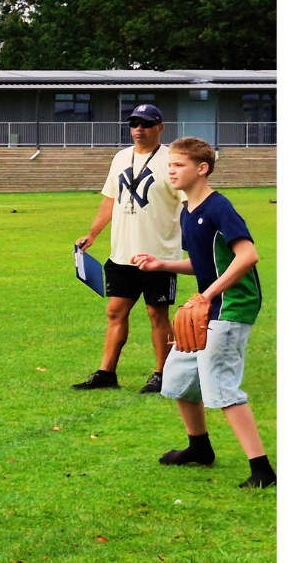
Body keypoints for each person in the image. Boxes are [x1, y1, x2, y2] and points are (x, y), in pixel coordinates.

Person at [131, 137, 275, 488]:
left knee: (222, 387)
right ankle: (199, 448)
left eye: (178, 165)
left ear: (202, 168)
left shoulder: (218, 207)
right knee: (179, 377)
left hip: (232, 306)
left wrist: (208, 295)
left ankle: (262, 471)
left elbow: (247, 256)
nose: (171, 171)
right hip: (208, 306)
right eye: (170, 165)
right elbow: (203, 263)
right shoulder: (188, 211)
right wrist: (161, 263)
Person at [73, 104, 181, 393]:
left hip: (159, 256)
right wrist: (92, 234)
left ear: (160, 127)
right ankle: (107, 373)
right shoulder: (121, 157)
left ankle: (163, 374)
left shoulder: (173, 160)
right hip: (122, 254)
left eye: (145, 124)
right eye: (134, 123)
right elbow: (110, 199)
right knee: (115, 312)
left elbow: (188, 202)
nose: (138, 129)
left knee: (157, 314)